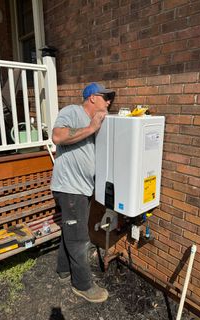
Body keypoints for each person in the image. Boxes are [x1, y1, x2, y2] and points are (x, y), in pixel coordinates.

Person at [50, 82, 115, 303]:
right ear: (92, 98)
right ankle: (82, 285)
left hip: (81, 188)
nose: (109, 102)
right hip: (69, 188)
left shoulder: (97, 121)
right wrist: (91, 128)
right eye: (105, 97)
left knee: (71, 230)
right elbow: (57, 136)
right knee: (79, 238)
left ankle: (63, 270)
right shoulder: (72, 111)